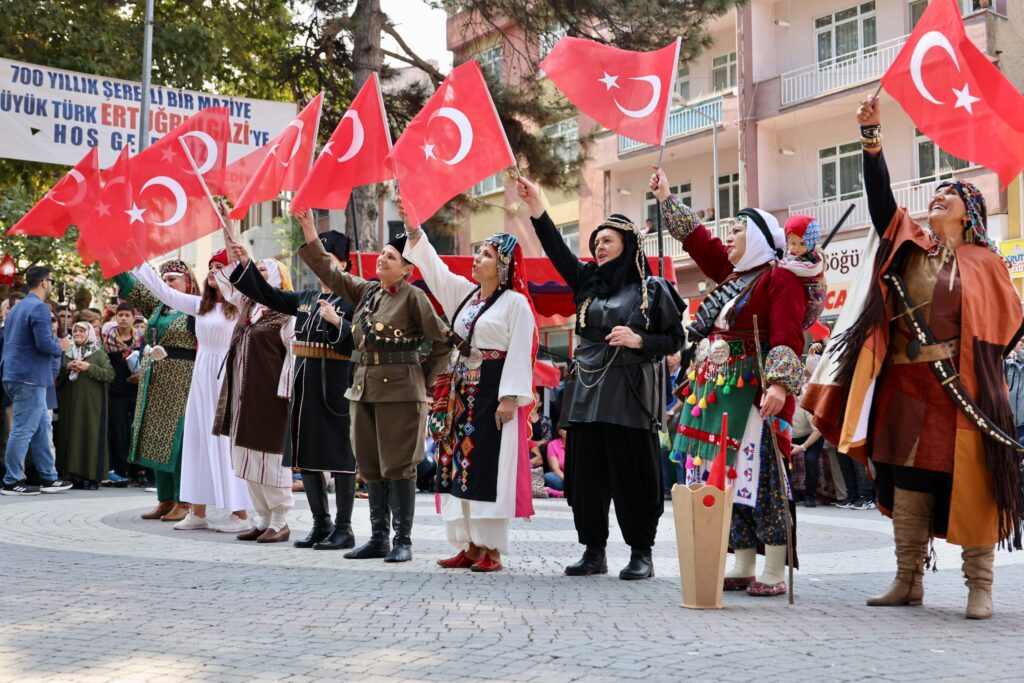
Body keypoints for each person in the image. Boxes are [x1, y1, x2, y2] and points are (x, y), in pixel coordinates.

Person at [804, 97, 1024, 620]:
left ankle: (980, 586)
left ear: (971, 212)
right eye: (935, 193)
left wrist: (977, 369)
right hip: (904, 386)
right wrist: (871, 137)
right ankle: (908, 580)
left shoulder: (987, 262)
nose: (937, 198)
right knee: (907, 484)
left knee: (972, 484)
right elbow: (881, 202)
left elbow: (1008, 326)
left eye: (950, 194)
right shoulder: (910, 246)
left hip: (965, 392)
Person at [517, 176, 686, 580]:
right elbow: (556, 249)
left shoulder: (652, 289)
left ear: (628, 244)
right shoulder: (587, 283)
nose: (599, 247)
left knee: (633, 475)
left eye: (607, 240)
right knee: (586, 477)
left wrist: (640, 339)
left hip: (630, 394)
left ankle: (641, 552)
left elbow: (675, 340)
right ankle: (594, 551)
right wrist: (537, 206)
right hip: (586, 390)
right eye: (596, 242)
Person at [655, 164, 806, 597]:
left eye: (737, 230)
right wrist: (666, 199)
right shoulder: (735, 276)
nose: (728, 237)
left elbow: (788, 335)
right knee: (728, 474)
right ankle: (741, 560)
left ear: (757, 238)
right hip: (718, 390)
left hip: (754, 391)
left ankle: (773, 565)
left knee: (762, 474)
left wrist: (779, 385)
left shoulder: (779, 278)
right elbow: (700, 242)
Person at [296, 208, 450, 563]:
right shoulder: (368, 292)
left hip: (401, 394)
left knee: (400, 466)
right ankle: (378, 538)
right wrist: (309, 229)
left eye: (391, 257)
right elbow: (330, 273)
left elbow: (442, 342)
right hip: (364, 389)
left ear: (407, 269)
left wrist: (421, 379)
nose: (382, 258)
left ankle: (402, 540)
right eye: (382, 253)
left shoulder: (413, 298)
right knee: (370, 465)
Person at [405, 221, 537, 573]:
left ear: (504, 265)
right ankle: (470, 545)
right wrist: (414, 230)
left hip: (492, 393)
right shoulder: (465, 296)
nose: (477, 258)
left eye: (487, 254)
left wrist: (510, 397)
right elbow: (436, 272)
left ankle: (491, 549)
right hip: (459, 393)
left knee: (487, 468)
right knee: (454, 464)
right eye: (478, 252)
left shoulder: (516, 304)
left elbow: (521, 350)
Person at [228, 229, 360, 551]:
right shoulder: (306, 298)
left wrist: (339, 323)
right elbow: (268, 294)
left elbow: (361, 341)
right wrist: (245, 264)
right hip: (306, 384)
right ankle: (321, 524)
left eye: (328, 260)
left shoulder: (355, 298)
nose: (321, 267)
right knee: (307, 456)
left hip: (338, 385)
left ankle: (344, 528)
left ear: (344, 264)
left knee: (342, 458)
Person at [127, 250, 251, 532]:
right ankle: (198, 512)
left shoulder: (240, 303)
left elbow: (245, 273)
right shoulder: (199, 306)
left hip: (225, 374)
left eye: (220, 267)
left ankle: (240, 514)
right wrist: (137, 261)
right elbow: (164, 292)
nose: (213, 270)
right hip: (201, 374)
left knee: (223, 443)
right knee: (196, 441)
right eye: (211, 267)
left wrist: (231, 239)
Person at [213, 251, 296, 543]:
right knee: (247, 456)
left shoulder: (286, 313)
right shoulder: (249, 306)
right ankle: (262, 518)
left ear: (277, 277)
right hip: (243, 395)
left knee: (270, 458)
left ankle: (280, 520)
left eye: (262, 270)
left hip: (271, 397)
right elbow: (229, 283)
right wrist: (231, 246)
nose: (256, 274)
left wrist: (286, 393)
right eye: (255, 269)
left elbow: (293, 355)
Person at [114, 260, 199, 522]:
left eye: (173, 278)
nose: (168, 283)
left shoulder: (196, 307)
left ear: (188, 281)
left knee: (179, 440)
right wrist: (113, 260)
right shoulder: (159, 305)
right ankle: (165, 499)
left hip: (183, 381)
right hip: (156, 381)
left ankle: (184, 501)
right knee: (157, 438)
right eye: (164, 278)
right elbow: (131, 285)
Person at [0, 266, 73, 495]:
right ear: (44, 282)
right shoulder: (39, 307)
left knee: (41, 427)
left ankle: (49, 477)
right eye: (51, 281)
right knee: (22, 429)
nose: (52, 285)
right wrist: (61, 345)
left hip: (16, 374)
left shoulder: (16, 308)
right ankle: (12, 480)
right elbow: (44, 344)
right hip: (29, 377)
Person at [56, 321, 114, 488]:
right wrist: (67, 366)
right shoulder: (68, 353)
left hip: (92, 404)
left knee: (91, 434)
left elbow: (110, 375)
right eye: (75, 331)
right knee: (72, 435)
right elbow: (56, 375)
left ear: (89, 333)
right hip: (70, 403)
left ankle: (93, 477)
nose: (78, 333)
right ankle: (74, 476)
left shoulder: (97, 353)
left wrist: (89, 367)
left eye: (82, 331)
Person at [102, 303, 143, 486]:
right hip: (117, 392)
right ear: (116, 317)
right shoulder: (108, 340)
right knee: (120, 432)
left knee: (137, 431)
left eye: (127, 315)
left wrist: (141, 375)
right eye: (120, 315)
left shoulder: (141, 339)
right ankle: (121, 470)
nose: (124, 318)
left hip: (137, 391)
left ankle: (139, 471)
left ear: (133, 318)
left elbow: (149, 361)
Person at [779, 215, 826, 329]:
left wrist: (781, 265)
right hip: (800, 298)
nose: (796, 248)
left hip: (812, 301)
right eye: (792, 243)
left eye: (802, 243)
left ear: (811, 241)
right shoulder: (790, 255)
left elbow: (802, 269)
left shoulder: (814, 258)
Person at [1004, 340, 1024, 443]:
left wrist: (1019, 351)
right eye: (1019, 341)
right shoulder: (1007, 365)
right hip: (1009, 424)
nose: (1021, 343)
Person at [544, 428, 567, 493]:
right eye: (565, 429)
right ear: (559, 432)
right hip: (561, 477)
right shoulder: (553, 444)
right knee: (548, 476)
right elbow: (555, 469)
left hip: (576, 479)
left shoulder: (579, 444)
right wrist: (568, 481)